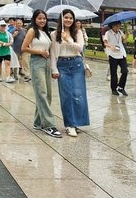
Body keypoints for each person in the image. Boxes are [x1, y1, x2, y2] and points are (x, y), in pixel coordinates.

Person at [21, 10, 62, 138]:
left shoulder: (46, 32)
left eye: (44, 18)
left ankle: (38, 122)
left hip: (46, 63)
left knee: (47, 94)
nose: (42, 20)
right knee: (41, 93)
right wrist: (39, 52)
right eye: (39, 18)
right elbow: (24, 47)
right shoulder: (32, 31)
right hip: (36, 62)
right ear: (35, 19)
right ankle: (49, 125)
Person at [50, 9, 90, 137]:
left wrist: (68, 39)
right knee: (66, 95)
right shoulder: (54, 34)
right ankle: (69, 124)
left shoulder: (77, 32)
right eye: (66, 17)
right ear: (61, 19)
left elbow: (80, 48)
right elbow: (53, 54)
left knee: (78, 94)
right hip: (62, 64)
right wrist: (54, 69)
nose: (68, 20)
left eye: (71, 18)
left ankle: (77, 122)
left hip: (76, 63)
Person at [103, 22, 128, 96]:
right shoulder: (108, 33)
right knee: (113, 73)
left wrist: (126, 36)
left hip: (121, 53)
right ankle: (113, 89)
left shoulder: (120, 32)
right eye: (116, 26)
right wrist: (111, 46)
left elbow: (124, 41)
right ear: (112, 26)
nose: (118, 27)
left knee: (125, 71)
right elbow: (105, 43)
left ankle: (121, 87)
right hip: (112, 54)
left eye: (119, 25)